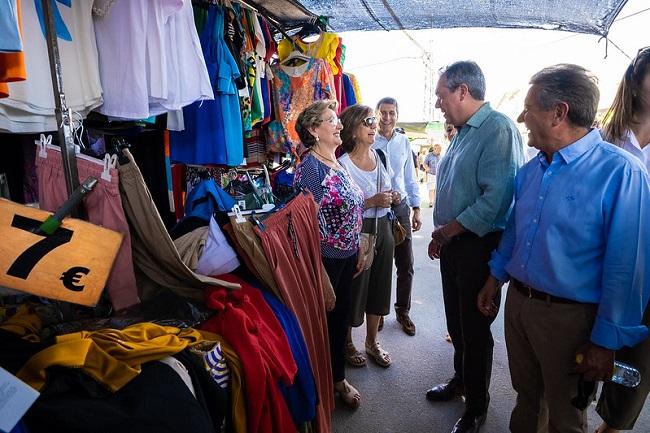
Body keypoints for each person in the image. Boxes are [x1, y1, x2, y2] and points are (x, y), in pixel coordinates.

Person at [477, 64, 650, 433]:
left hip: (570, 321)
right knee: (527, 399)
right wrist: (495, 277)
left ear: (559, 113)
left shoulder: (622, 173)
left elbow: (627, 270)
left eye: (529, 109)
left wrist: (605, 342)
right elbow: (514, 231)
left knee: (565, 415)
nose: (522, 117)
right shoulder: (531, 170)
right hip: (520, 307)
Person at [427, 60, 524, 433]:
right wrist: (443, 234)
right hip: (455, 243)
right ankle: (461, 380)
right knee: (457, 322)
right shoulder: (464, 131)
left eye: (441, 95)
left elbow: (497, 199)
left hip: (478, 245)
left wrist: (449, 231)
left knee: (475, 328)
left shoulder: (497, 128)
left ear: (463, 91)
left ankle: (477, 408)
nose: (438, 104)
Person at [293, 100, 365, 409]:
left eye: (337, 120)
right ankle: (331, 382)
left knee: (340, 320)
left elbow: (352, 207)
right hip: (326, 261)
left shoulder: (335, 162)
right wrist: (320, 275)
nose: (339, 125)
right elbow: (302, 228)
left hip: (346, 255)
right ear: (313, 130)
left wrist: (358, 244)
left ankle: (334, 376)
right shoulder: (310, 168)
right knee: (326, 324)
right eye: (331, 120)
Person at [595, 47, 650, 433]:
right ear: (636, 81)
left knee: (639, 360)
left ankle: (613, 424)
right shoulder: (606, 138)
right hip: (610, 268)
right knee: (599, 354)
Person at [338, 104, 399, 368]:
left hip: (383, 227)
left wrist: (393, 197)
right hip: (357, 231)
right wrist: (372, 200)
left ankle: (372, 342)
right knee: (355, 289)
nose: (375, 125)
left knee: (380, 286)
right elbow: (339, 208)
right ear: (352, 130)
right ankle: (347, 342)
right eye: (368, 121)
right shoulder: (342, 166)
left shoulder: (381, 156)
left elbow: (392, 187)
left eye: (373, 121)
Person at [373, 97, 422, 336]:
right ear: (377, 113)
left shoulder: (404, 141)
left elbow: (410, 176)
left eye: (392, 112)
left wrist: (416, 207)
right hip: (379, 209)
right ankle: (378, 312)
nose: (387, 117)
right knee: (380, 264)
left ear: (397, 114)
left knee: (406, 263)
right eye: (383, 112)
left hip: (400, 208)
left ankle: (403, 310)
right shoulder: (370, 140)